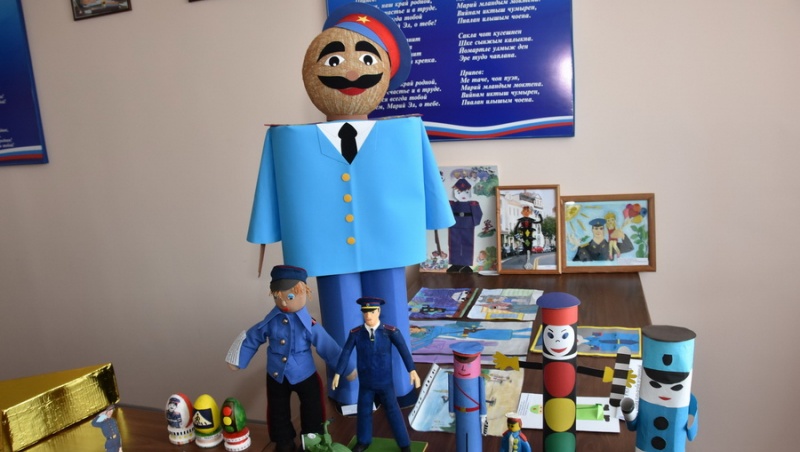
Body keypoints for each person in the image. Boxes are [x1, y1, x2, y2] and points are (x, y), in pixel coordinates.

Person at [246, 1, 453, 406]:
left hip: (388, 239)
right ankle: (351, 392)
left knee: (391, 314)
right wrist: (265, 233)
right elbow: (270, 185)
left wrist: (438, 221)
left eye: (366, 59)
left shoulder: (406, 131)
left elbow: (428, 178)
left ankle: (398, 384)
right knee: (341, 320)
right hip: (325, 246)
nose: (353, 71)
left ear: (385, 71)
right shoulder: (285, 139)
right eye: (336, 60)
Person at [225, 265, 355, 452]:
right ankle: (283, 441)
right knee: (277, 410)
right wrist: (237, 359)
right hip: (276, 374)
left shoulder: (308, 324)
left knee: (312, 408)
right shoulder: (270, 321)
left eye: (290, 297)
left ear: (304, 292)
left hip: (305, 374)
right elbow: (253, 337)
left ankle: (311, 440)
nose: (284, 302)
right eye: (278, 297)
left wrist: (347, 368)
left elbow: (328, 346)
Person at [332, 297, 420, 452]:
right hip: (365, 383)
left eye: (372, 311)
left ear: (379, 311)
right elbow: (345, 353)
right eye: (365, 312)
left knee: (393, 412)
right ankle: (363, 441)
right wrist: (338, 373)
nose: (368, 316)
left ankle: (404, 443)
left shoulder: (390, 332)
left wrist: (412, 370)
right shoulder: (356, 334)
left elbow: (404, 350)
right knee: (363, 411)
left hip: (385, 382)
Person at [447, 178, 483, 273]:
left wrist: (474, 222)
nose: (463, 195)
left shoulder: (473, 204)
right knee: (454, 244)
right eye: (459, 192)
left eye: (466, 192)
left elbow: (478, 214)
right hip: (455, 224)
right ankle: (455, 264)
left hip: (468, 224)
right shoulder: (452, 204)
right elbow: (447, 214)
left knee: (468, 244)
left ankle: (466, 264)